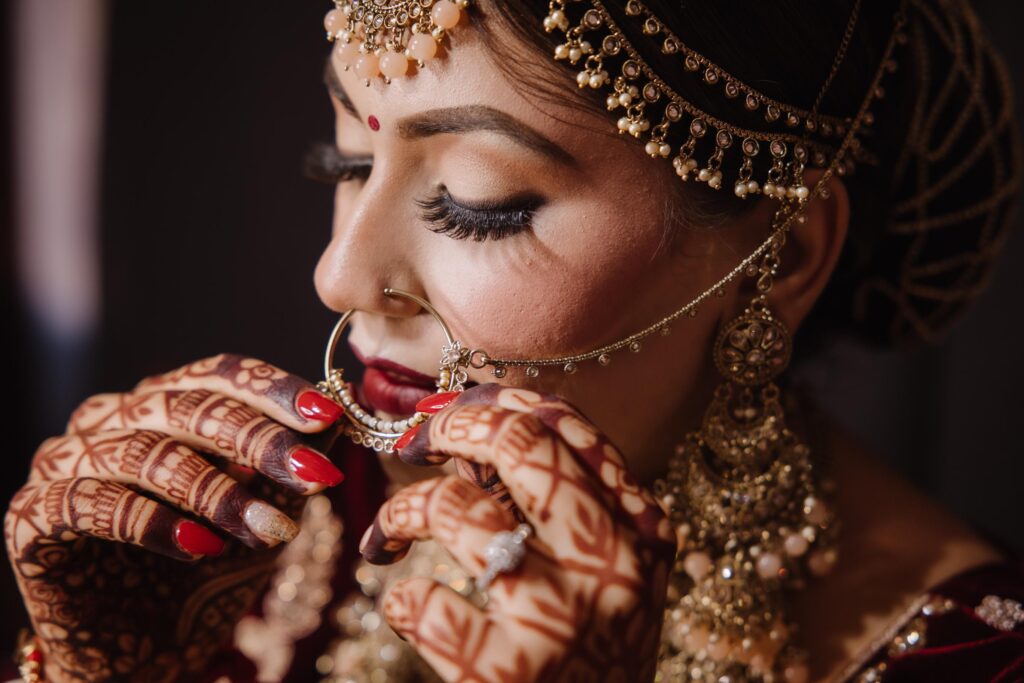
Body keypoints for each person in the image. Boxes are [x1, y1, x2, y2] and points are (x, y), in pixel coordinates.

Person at [6, 0, 1023, 681]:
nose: (341, 275)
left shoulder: (970, 657)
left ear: (785, 251)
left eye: (477, 204)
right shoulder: (299, 517)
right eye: (344, 163)